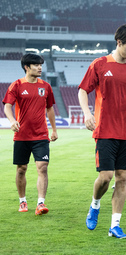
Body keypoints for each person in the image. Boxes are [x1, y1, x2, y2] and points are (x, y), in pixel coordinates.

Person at [78, 24, 126, 238]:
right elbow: (83, 90)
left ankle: (115, 225)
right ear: (119, 42)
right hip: (105, 130)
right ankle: (95, 204)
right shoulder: (99, 64)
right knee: (106, 177)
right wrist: (87, 113)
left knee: (122, 177)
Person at [2, 53, 58, 216]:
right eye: (36, 65)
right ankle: (22, 200)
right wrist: (12, 120)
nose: (40, 67)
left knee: (43, 167)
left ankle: (41, 203)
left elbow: (50, 109)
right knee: (21, 169)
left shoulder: (46, 86)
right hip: (22, 136)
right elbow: (7, 106)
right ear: (27, 67)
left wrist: (53, 130)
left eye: (41, 64)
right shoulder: (16, 85)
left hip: (41, 136)